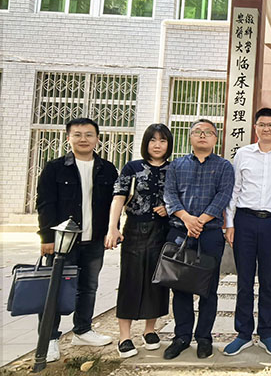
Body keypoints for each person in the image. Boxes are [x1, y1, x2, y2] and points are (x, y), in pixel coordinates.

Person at [36, 117, 118, 363]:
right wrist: (47, 237)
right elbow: (45, 204)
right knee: (55, 289)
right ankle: (49, 338)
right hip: (63, 242)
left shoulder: (107, 169)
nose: (84, 139)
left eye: (89, 134)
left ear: (97, 139)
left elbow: (115, 203)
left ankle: (82, 330)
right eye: (78, 134)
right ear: (68, 138)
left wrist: (113, 230)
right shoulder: (55, 168)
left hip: (94, 240)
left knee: (88, 287)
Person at [223, 108, 271, 357]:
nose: (266, 128)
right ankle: (243, 333)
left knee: (268, 281)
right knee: (244, 280)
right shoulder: (243, 154)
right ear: (255, 127)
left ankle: (267, 333)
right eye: (262, 124)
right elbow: (235, 189)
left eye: (270, 124)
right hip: (245, 221)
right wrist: (230, 223)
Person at [161, 119, 234, 360]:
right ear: (190, 137)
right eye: (197, 132)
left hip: (210, 234)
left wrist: (199, 221)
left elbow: (223, 195)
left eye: (208, 132)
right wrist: (187, 219)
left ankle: (204, 338)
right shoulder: (176, 165)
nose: (202, 135)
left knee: (208, 289)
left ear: (215, 138)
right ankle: (181, 337)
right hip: (180, 232)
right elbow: (170, 194)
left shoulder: (224, 166)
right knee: (180, 287)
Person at [105, 124, 174, 358]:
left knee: (157, 280)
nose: (157, 145)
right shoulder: (132, 167)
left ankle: (149, 330)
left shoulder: (174, 169)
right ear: (146, 143)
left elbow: (180, 198)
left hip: (162, 231)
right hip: (135, 229)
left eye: (162, 140)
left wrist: (169, 208)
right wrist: (112, 228)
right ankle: (124, 336)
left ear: (169, 144)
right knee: (131, 280)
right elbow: (118, 197)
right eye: (153, 140)